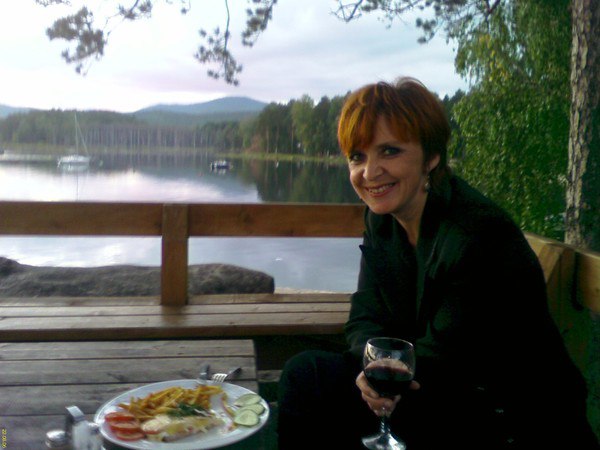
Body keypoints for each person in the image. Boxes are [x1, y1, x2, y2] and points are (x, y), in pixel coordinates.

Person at [277, 77, 599, 449]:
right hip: (427, 383)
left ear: (431, 157)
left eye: (389, 151)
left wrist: (381, 381)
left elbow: (449, 356)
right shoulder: (383, 220)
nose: (369, 172)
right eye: (357, 157)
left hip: (506, 412)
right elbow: (366, 310)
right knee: (306, 374)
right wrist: (368, 366)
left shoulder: (476, 234)